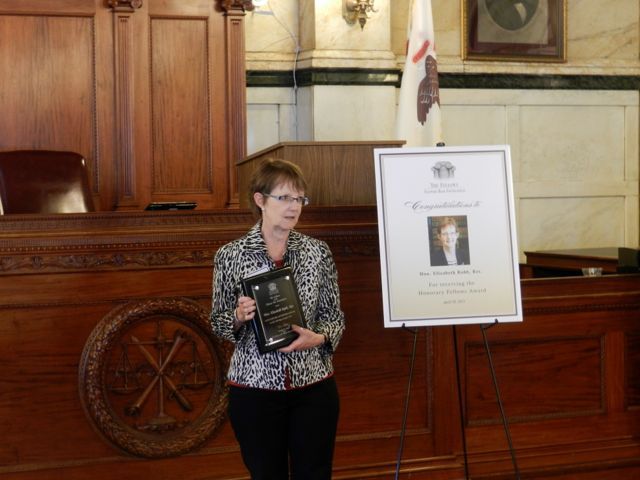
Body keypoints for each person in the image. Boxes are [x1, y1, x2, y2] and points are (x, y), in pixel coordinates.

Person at [210, 158, 345, 480]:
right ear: (260, 199)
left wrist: (320, 337)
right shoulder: (230, 255)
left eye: (299, 199)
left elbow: (334, 316)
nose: (294, 207)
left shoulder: (317, 252)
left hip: (313, 385)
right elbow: (217, 321)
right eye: (284, 198)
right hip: (254, 388)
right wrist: (238, 316)